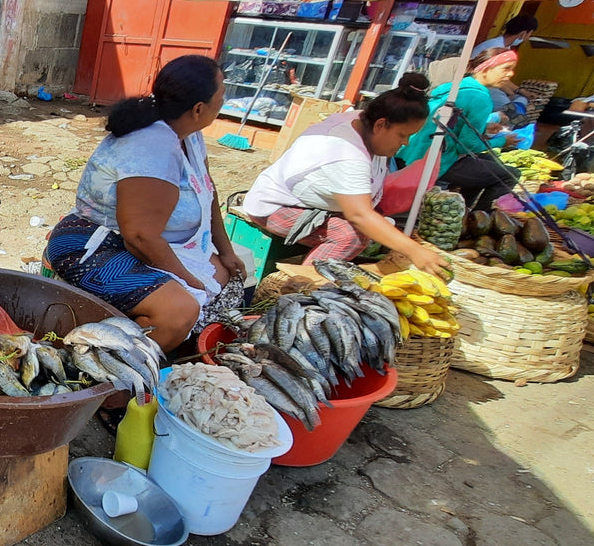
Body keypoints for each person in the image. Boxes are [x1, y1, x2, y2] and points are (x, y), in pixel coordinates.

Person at [44, 55, 245, 351]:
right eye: (222, 96)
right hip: (92, 244)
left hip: (148, 242)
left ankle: (171, 348)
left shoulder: (189, 135)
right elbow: (139, 236)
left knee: (227, 277)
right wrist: (190, 281)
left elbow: (207, 191)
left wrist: (225, 252)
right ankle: (106, 378)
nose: (224, 101)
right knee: (178, 312)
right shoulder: (153, 146)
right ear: (199, 108)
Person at [241, 73, 450, 276]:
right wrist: (415, 251)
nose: (405, 143)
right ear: (380, 125)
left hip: (317, 204)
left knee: (380, 230)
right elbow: (359, 215)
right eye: (402, 135)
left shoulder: (363, 120)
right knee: (352, 236)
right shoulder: (346, 152)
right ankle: (300, 285)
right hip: (275, 206)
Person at [396, 48, 522, 210]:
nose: (511, 74)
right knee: (508, 175)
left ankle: (463, 212)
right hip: (434, 159)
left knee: (489, 164)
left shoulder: (454, 86)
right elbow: (468, 145)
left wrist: (484, 128)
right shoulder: (480, 98)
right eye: (506, 68)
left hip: (411, 151)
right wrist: (502, 141)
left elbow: (450, 123)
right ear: (485, 68)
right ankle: (479, 220)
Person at [471, 14, 538, 58]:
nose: (528, 38)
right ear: (523, 33)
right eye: (530, 34)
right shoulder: (496, 47)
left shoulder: (504, 46)